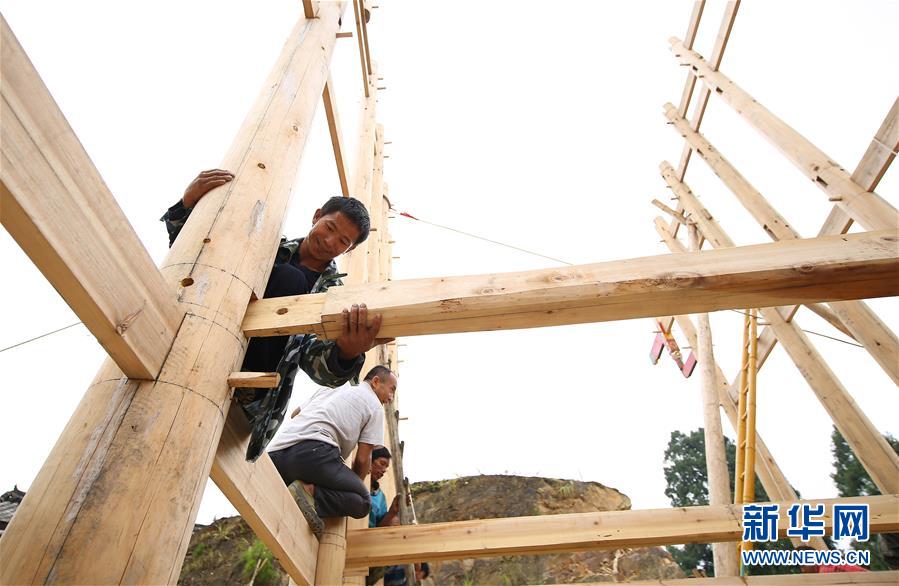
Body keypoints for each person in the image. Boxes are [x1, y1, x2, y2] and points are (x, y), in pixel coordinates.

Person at [161, 169, 390, 460]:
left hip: (248, 388)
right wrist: (187, 205)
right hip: (198, 337)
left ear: (349, 249)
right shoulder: (265, 246)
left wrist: (346, 353)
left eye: (343, 241)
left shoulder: (332, 297)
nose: (331, 242)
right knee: (280, 273)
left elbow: (315, 364)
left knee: (291, 280)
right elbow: (199, 258)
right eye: (330, 227)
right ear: (317, 216)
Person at [267, 365, 398, 536]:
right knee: (363, 501)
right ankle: (309, 491)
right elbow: (362, 459)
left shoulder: (336, 385)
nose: (391, 398)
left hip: (276, 456)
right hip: (314, 453)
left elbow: (295, 414)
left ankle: (304, 491)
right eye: (392, 389)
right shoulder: (374, 405)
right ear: (375, 382)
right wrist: (347, 488)